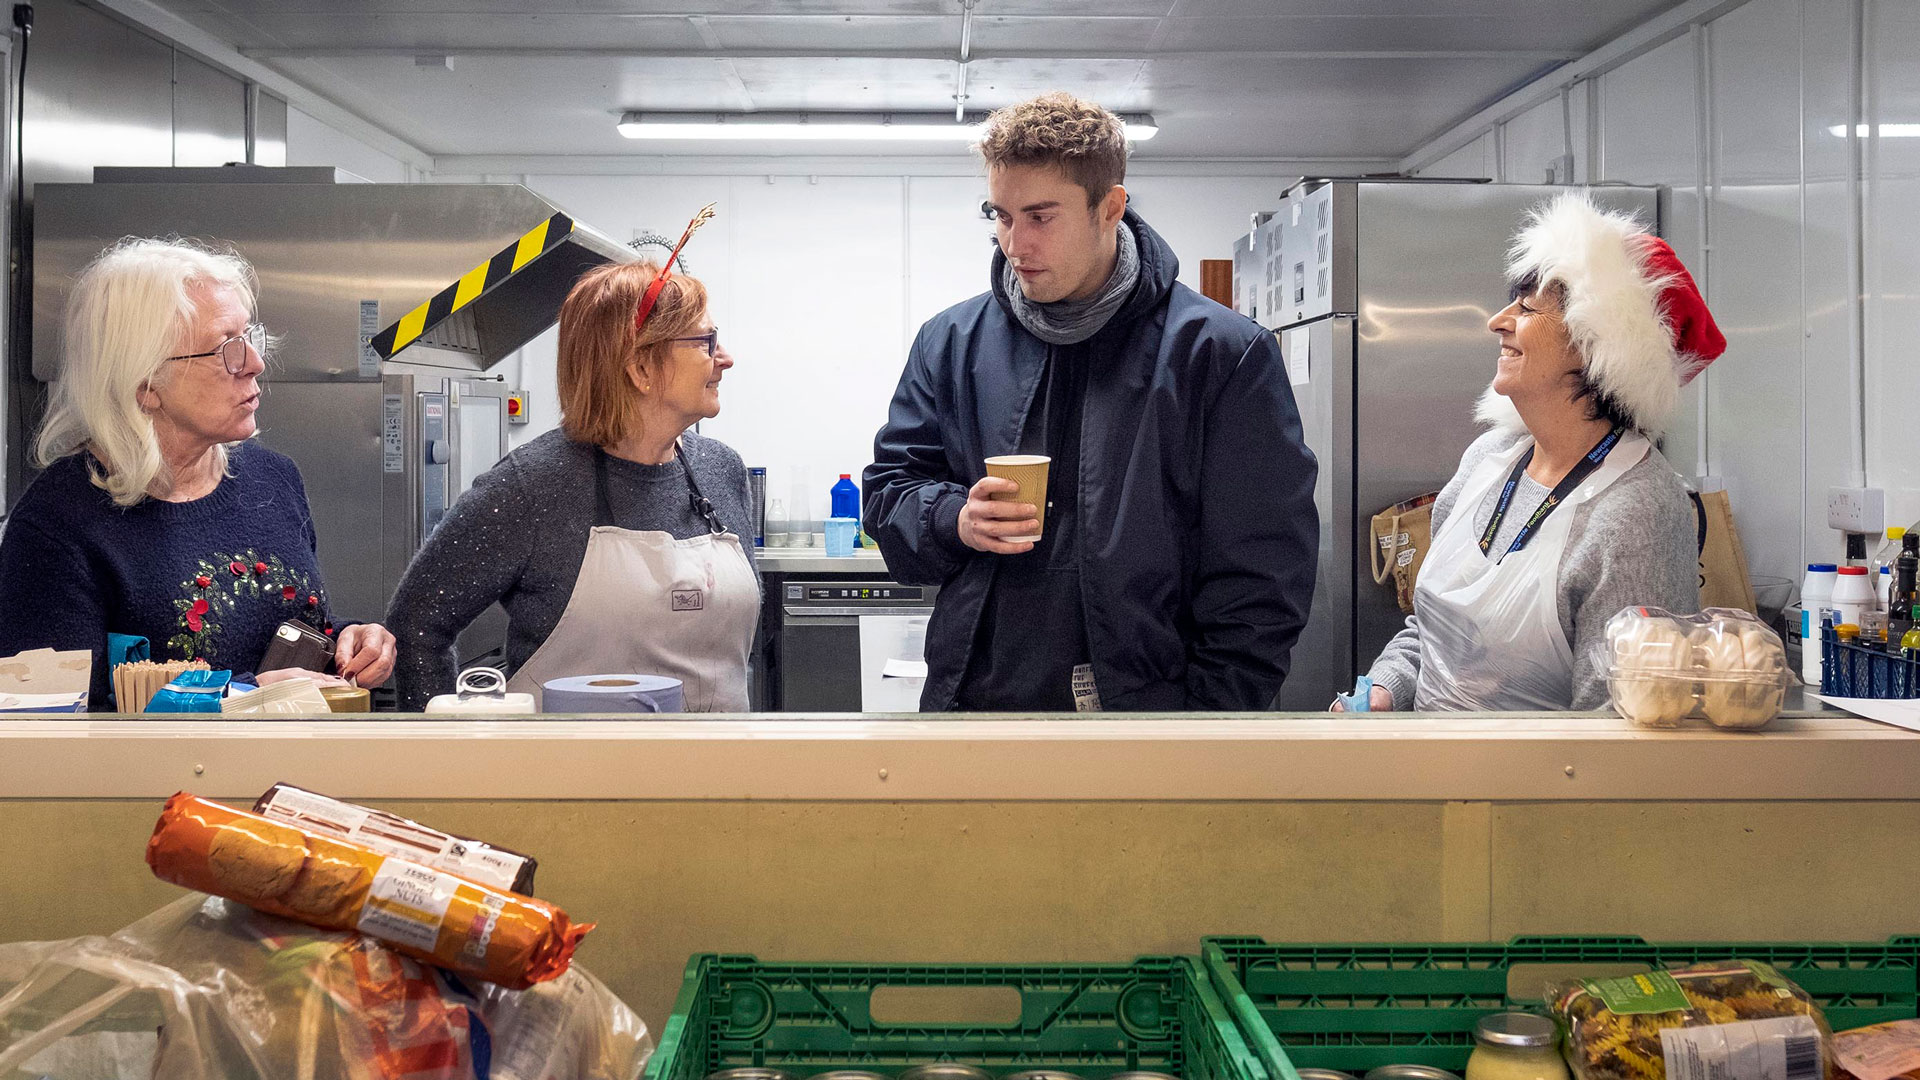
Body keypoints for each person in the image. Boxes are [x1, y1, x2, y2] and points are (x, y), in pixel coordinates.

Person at [864, 92, 1318, 712]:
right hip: (976, 712)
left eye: (1040, 217)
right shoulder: (950, 344)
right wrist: (955, 520)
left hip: (1150, 725)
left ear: (1110, 207)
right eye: (999, 215)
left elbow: (1262, 577)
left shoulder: (1219, 354)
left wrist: (1207, 728)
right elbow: (890, 497)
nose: (1013, 244)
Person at [1350, 192, 1713, 712]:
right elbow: (1431, 633)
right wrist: (1382, 690)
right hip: (1427, 777)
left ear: (1595, 342)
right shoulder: (1489, 460)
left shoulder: (1639, 512)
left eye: (1526, 308)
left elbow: (1619, 731)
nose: (1497, 321)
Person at [0, 238, 396, 708]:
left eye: (249, 336)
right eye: (225, 348)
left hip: (294, 774)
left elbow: (287, 636)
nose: (255, 363)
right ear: (146, 385)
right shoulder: (58, 524)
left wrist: (350, 642)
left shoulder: (274, 479)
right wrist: (245, 696)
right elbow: (50, 724)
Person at [385, 249, 759, 712]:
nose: (725, 358)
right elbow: (417, 624)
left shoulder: (722, 471)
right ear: (641, 369)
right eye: (707, 341)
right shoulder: (530, 487)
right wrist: (449, 757)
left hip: (718, 775)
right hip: (569, 780)